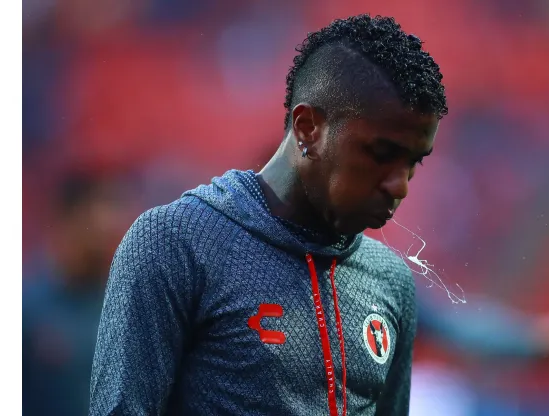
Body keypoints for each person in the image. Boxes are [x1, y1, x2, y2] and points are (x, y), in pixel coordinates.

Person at [89, 14, 447, 416]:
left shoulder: (391, 280)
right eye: (382, 154)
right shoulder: (175, 242)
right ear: (308, 128)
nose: (400, 185)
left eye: (414, 162)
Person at [23, 170, 134, 415]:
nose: (111, 227)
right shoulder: (28, 309)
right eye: (99, 217)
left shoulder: (128, 307)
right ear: (68, 220)